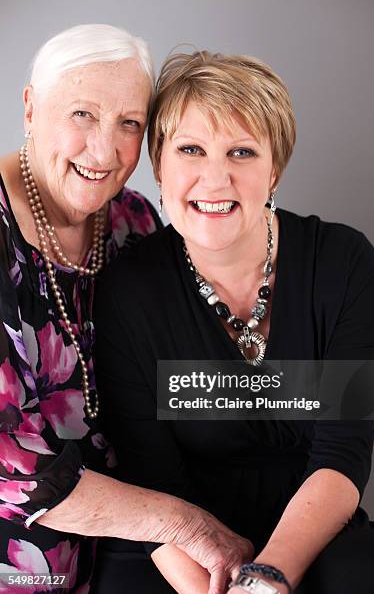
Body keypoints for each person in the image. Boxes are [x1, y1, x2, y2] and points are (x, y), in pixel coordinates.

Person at [93, 50, 374, 593]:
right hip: (178, 536)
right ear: (159, 166)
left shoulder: (345, 263)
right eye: (191, 149)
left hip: (313, 520)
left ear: (275, 170)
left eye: (242, 151)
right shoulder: (128, 289)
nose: (215, 178)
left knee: (369, 580)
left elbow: (344, 453)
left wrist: (269, 576)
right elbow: (150, 474)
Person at [0, 30, 253, 594]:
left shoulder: (132, 222)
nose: (105, 149)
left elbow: (174, 386)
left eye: (129, 124)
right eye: (83, 114)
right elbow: (11, 467)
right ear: (30, 108)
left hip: (133, 551)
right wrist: (185, 526)